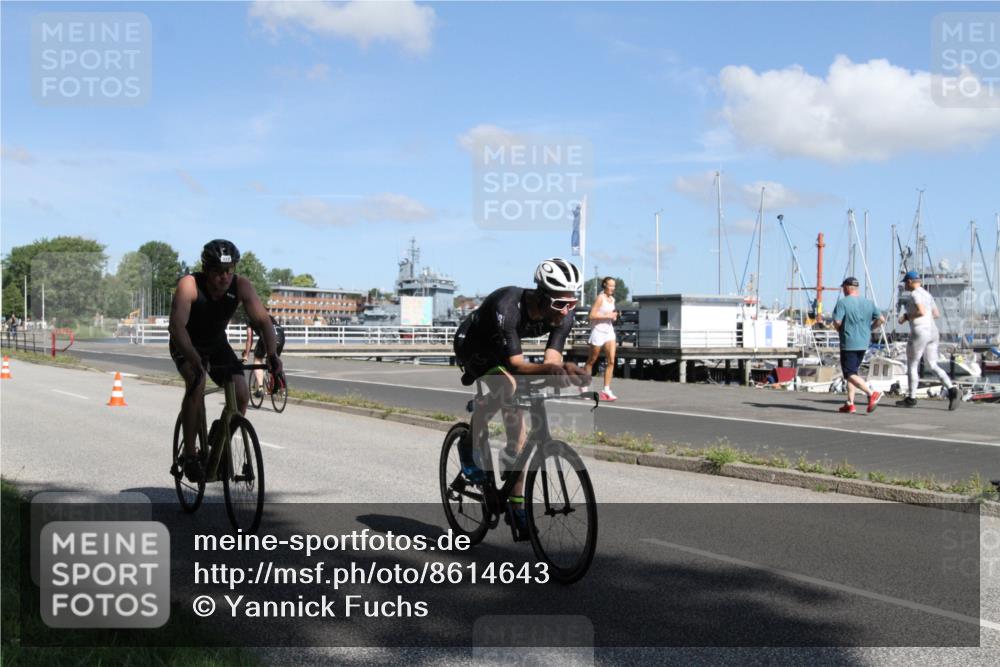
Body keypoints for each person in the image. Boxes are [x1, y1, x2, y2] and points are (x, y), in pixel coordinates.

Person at [452, 258, 590, 531]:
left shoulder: (564, 312)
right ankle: (468, 445)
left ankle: (516, 505)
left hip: (504, 352)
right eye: (559, 304)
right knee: (508, 386)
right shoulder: (508, 306)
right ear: (541, 295)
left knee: (520, 440)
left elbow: (551, 358)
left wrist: (563, 371)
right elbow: (516, 364)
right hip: (474, 346)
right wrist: (552, 368)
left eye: (571, 304)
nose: (565, 311)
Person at [168, 240, 283, 482]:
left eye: (229, 271)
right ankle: (190, 455)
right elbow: (176, 327)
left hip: (216, 344)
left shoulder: (241, 286)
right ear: (206, 270)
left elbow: (264, 322)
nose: (225, 277)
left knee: (241, 393)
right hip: (186, 342)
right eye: (219, 272)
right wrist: (193, 358)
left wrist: (273, 356)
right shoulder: (189, 285)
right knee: (196, 382)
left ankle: (219, 442)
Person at [895, 270, 960, 410]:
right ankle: (952, 389)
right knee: (933, 364)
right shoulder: (928, 294)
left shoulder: (915, 294)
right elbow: (936, 314)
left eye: (905, 282)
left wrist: (906, 317)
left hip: (920, 331)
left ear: (910, 282)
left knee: (912, 364)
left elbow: (921, 311)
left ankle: (911, 398)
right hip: (933, 331)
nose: (905, 286)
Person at [831, 276, 884, 414]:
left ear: (848, 288)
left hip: (849, 342)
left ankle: (871, 393)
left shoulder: (843, 303)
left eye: (843, 287)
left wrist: (839, 330)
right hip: (863, 342)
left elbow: (837, 322)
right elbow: (881, 319)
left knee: (848, 373)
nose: (843, 290)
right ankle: (850, 403)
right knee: (853, 372)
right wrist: (870, 328)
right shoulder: (869, 303)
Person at [583, 277, 618, 401]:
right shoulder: (600, 298)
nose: (612, 288)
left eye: (614, 286)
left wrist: (613, 317)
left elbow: (610, 313)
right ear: (604, 285)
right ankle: (584, 386)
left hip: (609, 332)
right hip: (598, 331)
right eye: (610, 285)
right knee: (592, 360)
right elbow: (591, 315)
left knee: (612, 361)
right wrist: (607, 315)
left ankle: (606, 390)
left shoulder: (612, 299)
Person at [244, 314, 286, 398]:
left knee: (257, 360)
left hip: (267, 336)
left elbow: (249, 338)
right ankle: (280, 385)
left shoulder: (249, 316)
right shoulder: (267, 315)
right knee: (273, 360)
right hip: (280, 336)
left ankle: (260, 388)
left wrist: (246, 354)